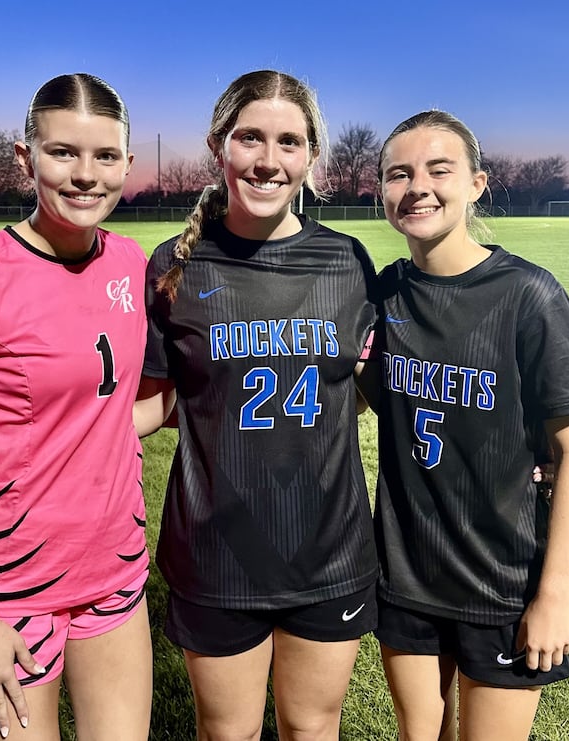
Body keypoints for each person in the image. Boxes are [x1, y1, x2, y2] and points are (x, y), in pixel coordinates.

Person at [0, 73, 152, 740]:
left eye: (104, 157)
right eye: (63, 152)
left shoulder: (132, 265)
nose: (85, 175)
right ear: (26, 158)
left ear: (127, 164)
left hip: (115, 573)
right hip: (13, 591)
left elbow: (112, 411)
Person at [138, 69, 379, 740]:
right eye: (250, 137)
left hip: (328, 551)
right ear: (219, 145)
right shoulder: (174, 265)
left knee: (311, 726)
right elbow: (152, 403)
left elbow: (367, 387)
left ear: (310, 155)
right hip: (216, 553)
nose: (268, 160)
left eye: (289, 142)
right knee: (230, 732)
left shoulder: (346, 260)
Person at [358, 110, 569, 741]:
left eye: (440, 170)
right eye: (398, 174)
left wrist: (553, 598)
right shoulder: (384, 296)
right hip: (406, 575)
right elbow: (351, 393)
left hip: (502, 583)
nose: (417, 187)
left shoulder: (528, 296)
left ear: (476, 184)